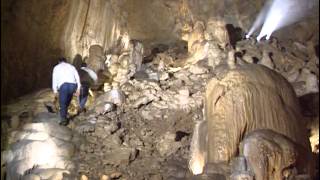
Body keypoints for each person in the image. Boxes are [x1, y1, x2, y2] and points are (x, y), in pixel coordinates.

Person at [52, 57, 81, 125]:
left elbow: (54, 78)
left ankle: (63, 120)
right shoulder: (71, 66)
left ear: (59, 62)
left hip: (64, 86)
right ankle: (64, 113)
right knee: (67, 101)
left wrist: (55, 90)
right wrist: (78, 88)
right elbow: (77, 77)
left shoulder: (56, 67)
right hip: (72, 86)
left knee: (62, 103)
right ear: (66, 61)